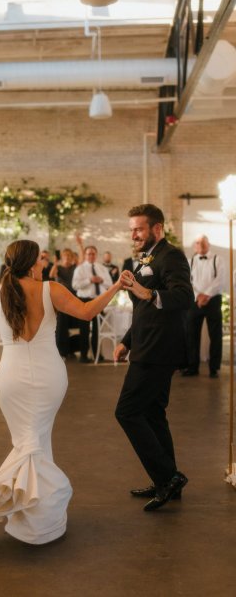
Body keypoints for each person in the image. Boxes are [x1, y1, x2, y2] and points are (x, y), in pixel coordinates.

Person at [0, 239, 122, 544]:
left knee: (28, 442)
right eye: (41, 260)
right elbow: (87, 312)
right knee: (35, 443)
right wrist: (115, 289)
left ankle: (30, 516)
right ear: (33, 263)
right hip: (48, 376)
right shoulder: (51, 289)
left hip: (10, 378)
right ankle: (38, 518)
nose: (44, 264)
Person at [114, 204, 194, 512]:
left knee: (127, 412)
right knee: (152, 414)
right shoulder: (148, 259)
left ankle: (168, 477)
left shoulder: (170, 256)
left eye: (139, 228)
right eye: (132, 229)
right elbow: (143, 311)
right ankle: (164, 479)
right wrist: (126, 341)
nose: (133, 234)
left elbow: (184, 296)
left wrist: (147, 292)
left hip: (159, 350)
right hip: (145, 344)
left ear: (156, 229)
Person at [182, 235, 225, 379]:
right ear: (194, 246)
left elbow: (220, 280)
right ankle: (192, 367)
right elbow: (187, 281)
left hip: (213, 300)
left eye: (203, 242)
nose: (200, 245)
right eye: (197, 243)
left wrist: (206, 295)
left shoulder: (217, 259)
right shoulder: (190, 261)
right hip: (195, 301)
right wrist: (198, 296)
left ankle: (214, 368)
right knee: (191, 334)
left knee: (216, 335)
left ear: (209, 244)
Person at [72, 245, 113, 363]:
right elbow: (75, 285)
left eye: (93, 253)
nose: (91, 256)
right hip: (84, 301)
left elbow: (110, 284)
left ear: (96, 255)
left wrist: (102, 280)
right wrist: (89, 280)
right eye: (89, 254)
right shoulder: (80, 269)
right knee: (84, 329)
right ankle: (83, 355)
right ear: (85, 255)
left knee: (97, 329)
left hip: (99, 301)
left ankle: (97, 355)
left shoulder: (102, 269)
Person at [49, 249, 78, 357]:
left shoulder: (75, 268)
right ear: (62, 257)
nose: (67, 258)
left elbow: (80, 262)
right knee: (61, 324)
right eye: (65, 256)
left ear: (72, 258)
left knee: (69, 325)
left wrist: (80, 245)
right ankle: (61, 350)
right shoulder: (59, 268)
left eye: (69, 256)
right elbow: (51, 274)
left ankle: (69, 350)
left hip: (73, 299)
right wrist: (56, 263)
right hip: (61, 300)